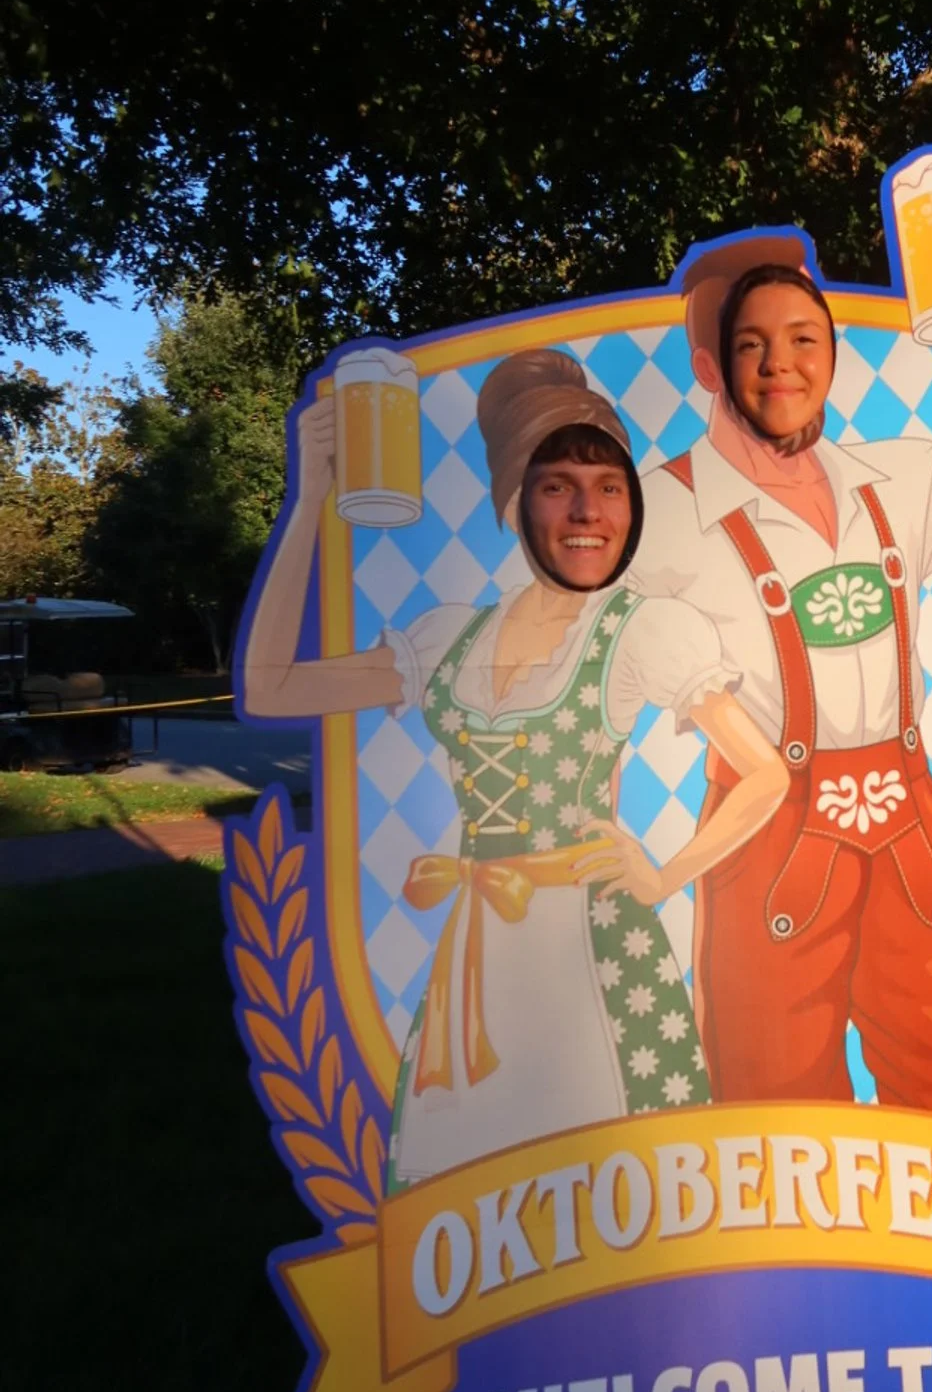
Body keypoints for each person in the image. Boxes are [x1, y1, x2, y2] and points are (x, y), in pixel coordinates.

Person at [630, 189, 932, 1129]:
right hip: (764, 833)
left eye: (803, 337)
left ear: (831, 353)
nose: (780, 365)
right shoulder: (649, 515)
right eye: (749, 342)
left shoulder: (894, 478)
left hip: (912, 831)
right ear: (708, 363)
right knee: (773, 1129)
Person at [242, 349, 788, 1184]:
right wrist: (309, 498)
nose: (588, 511)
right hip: (478, 960)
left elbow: (765, 774)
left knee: (623, 1183)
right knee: (469, 1184)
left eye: (610, 488)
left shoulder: (636, 630)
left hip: (595, 958)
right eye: (556, 483)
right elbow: (270, 686)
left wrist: (661, 876)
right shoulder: (451, 639)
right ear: (514, 501)